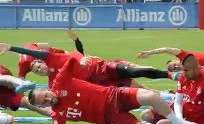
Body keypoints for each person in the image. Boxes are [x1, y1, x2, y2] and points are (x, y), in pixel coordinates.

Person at [28, 57, 201, 124]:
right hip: (111, 117)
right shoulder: (57, 115)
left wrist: (80, 61)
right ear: (43, 107)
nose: (49, 100)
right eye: (45, 102)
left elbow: (71, 61)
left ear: (47, 89)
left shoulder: (59, 82)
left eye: (46, 96)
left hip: (114, 95)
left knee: (150, 96)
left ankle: (178, 121)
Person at [0, 43, 177, 89]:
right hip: (99, 82)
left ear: (41, 61)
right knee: (138, 91)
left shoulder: (51, 56)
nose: (39, 69)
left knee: (135, 71)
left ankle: (172, 76)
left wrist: (11, 48)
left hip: (102, 67)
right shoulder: (54, 81)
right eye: (37, 71)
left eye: (38, 66)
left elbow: (76, 53)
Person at [148, 54, 204, 124]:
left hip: (195, 119)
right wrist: (179, 119)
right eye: (183, 70)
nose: (183, 73)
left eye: (186, 70)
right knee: (146, 115)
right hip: (183, 109)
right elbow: (178, 101)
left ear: (195, 69)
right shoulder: (183, 76)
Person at [17, 30, 82, 79]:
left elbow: (53, 49)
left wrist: (66, 52)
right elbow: (20, 79)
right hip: (30, 49)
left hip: (34, 46)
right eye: (37, 70)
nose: (40, 70)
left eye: (39, 67)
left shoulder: (46, 51)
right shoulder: (23, 63)